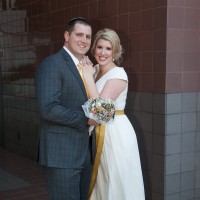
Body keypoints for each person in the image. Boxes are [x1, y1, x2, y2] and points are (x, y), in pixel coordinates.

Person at [35, 17, 97, 200]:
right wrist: (86, 119)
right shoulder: (52, 64)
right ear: (66, 36)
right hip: (61, 155)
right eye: (79, 35)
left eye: (88, 36)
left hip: (83, 154)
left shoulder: (86, 68)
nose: (84, 40)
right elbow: (48, 108)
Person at [81, 28, 145, 200]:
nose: (103, 53)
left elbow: (101, 113)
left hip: (115, 134)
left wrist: (87, 78)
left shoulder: (118, 74)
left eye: (108, 48)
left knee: (115, 181)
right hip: (99, 132)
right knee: (102, 181)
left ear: (116, 51)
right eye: (100, 47)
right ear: (93, 49)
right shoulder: (93, 69)